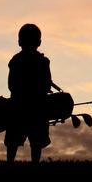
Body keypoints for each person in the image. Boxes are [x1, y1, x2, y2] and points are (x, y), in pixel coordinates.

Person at [5, 23, 55, 163]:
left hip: (17, 107)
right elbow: (46, 84)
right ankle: (35, 164)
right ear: (39, 42)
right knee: (36, 142)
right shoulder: (43, 61)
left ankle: (9, 163)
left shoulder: (15, 60)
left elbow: (11, 85)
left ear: (19, 41)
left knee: (13, 140)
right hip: (38, 108)